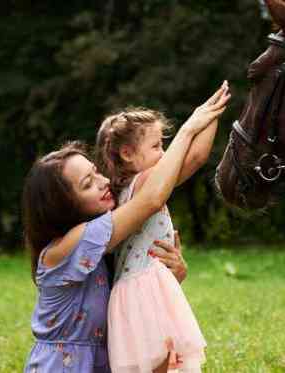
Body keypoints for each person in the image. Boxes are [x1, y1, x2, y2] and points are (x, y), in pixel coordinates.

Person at [21, 82, 230, 373]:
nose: (104, 181)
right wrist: (189, 128)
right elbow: (152, 198)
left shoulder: (102, 239)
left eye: (96, 173)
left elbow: (129, 283)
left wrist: (172, 275)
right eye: (88, 184)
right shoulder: (71, 244)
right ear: (63, 207)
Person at [95, 81, 230, 373]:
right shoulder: (143, 182)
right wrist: (206, 117)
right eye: (156, 146)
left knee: (168, 366)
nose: (163, 152)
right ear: (128, 154)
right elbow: (194, 158)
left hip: (142, 291)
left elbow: (194, 158)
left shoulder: (128, 188)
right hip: (143, 294)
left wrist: (208, 115)